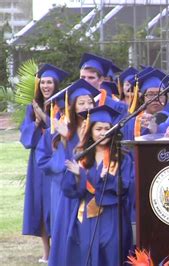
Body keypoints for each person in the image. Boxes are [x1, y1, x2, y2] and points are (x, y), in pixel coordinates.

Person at [63, 105, 133, 266]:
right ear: (91, 131)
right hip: (87, 215)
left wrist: (107, 179)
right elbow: (70, 191)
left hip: (112, 216)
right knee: (86, 253)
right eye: (98, 129)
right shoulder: (81, 156)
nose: (103, 133)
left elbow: (125, 188)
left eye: (107, 129)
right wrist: (78, 175)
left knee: (111, 253)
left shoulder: (121, 157)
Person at [44, 79, 100, 266]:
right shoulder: (65, 130)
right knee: (68, 237)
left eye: (90, 102)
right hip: (71, 194)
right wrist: (65, 139)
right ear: (73, 106)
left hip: (92, 191)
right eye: (81, 103)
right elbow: (62, 165)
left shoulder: (99, 129)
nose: (87, 106)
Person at [20, 64, 69, 264]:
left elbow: (63, 132)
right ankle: (46, 251)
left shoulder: (63, 106)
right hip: (37, 163)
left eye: (50, 82)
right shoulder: (31, 108)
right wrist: (37, 121)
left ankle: (56, 249)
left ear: (56, 84)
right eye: (43, 82)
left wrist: (45, 117)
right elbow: (26, 138)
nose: (46, 86)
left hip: (55, 161)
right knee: (40, 203)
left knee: (54, 204)